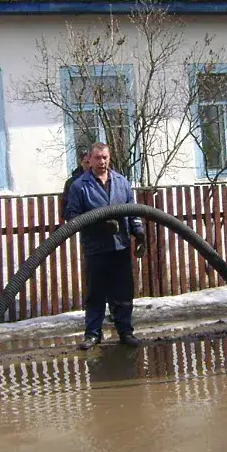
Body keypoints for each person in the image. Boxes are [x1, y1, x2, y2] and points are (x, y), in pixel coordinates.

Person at [64, 142, 145, 349]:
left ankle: (125, 332)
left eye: (105, 158)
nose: (102, 162)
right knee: (96, 293)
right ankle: (93, 334)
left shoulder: (122, 182)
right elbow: (72, 216)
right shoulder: (79, 186)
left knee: (123, 292)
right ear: (89, 160)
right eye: (98, 158)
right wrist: (98, 224)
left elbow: (132, 210)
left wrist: (138, 232)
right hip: (96, 248)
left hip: (120, 246)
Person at [61, 149, 91, 220]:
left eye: (91, 162)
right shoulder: (72, 182)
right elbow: (66, 209)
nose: (90, 165)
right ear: (81, 163)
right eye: (87, 162)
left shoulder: (102, 179)